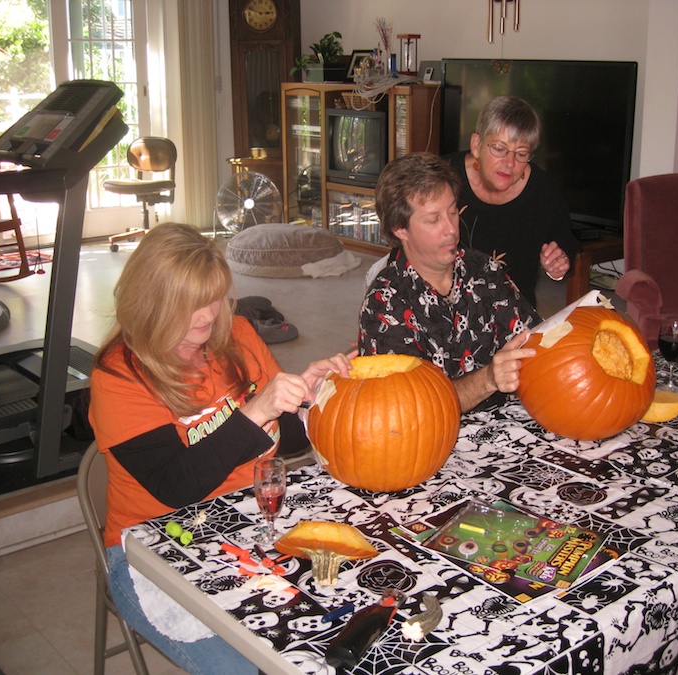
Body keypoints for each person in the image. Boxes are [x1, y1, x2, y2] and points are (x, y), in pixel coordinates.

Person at [88, 222, 351, 674]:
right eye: (189, 303)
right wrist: (254, 410)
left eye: (213, 296)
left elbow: (279, 437)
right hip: (154, 546)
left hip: (250, 516)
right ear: (149, 302)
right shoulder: (118, 376)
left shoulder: (240, 335)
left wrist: (312, 402)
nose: (208, 315)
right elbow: (177, 486)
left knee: (337, 630)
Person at [359, 152, 541, 413]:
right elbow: (416, 408)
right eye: (434, 219)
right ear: (400, 229)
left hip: (508, 422)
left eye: (453, 212)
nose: (452, 229)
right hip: (433, 442)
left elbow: (532, 340)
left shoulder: (484, 270)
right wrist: (488, 379)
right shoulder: (384, 303)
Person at [443, 95, 579, 308]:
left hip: (512, 315)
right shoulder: (443, 178)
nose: (509, 163)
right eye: (499, 149)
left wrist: (558, 265)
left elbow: (565, 245)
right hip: (445, 309)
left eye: (521, 154)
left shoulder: (543, 191)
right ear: (476, 145)